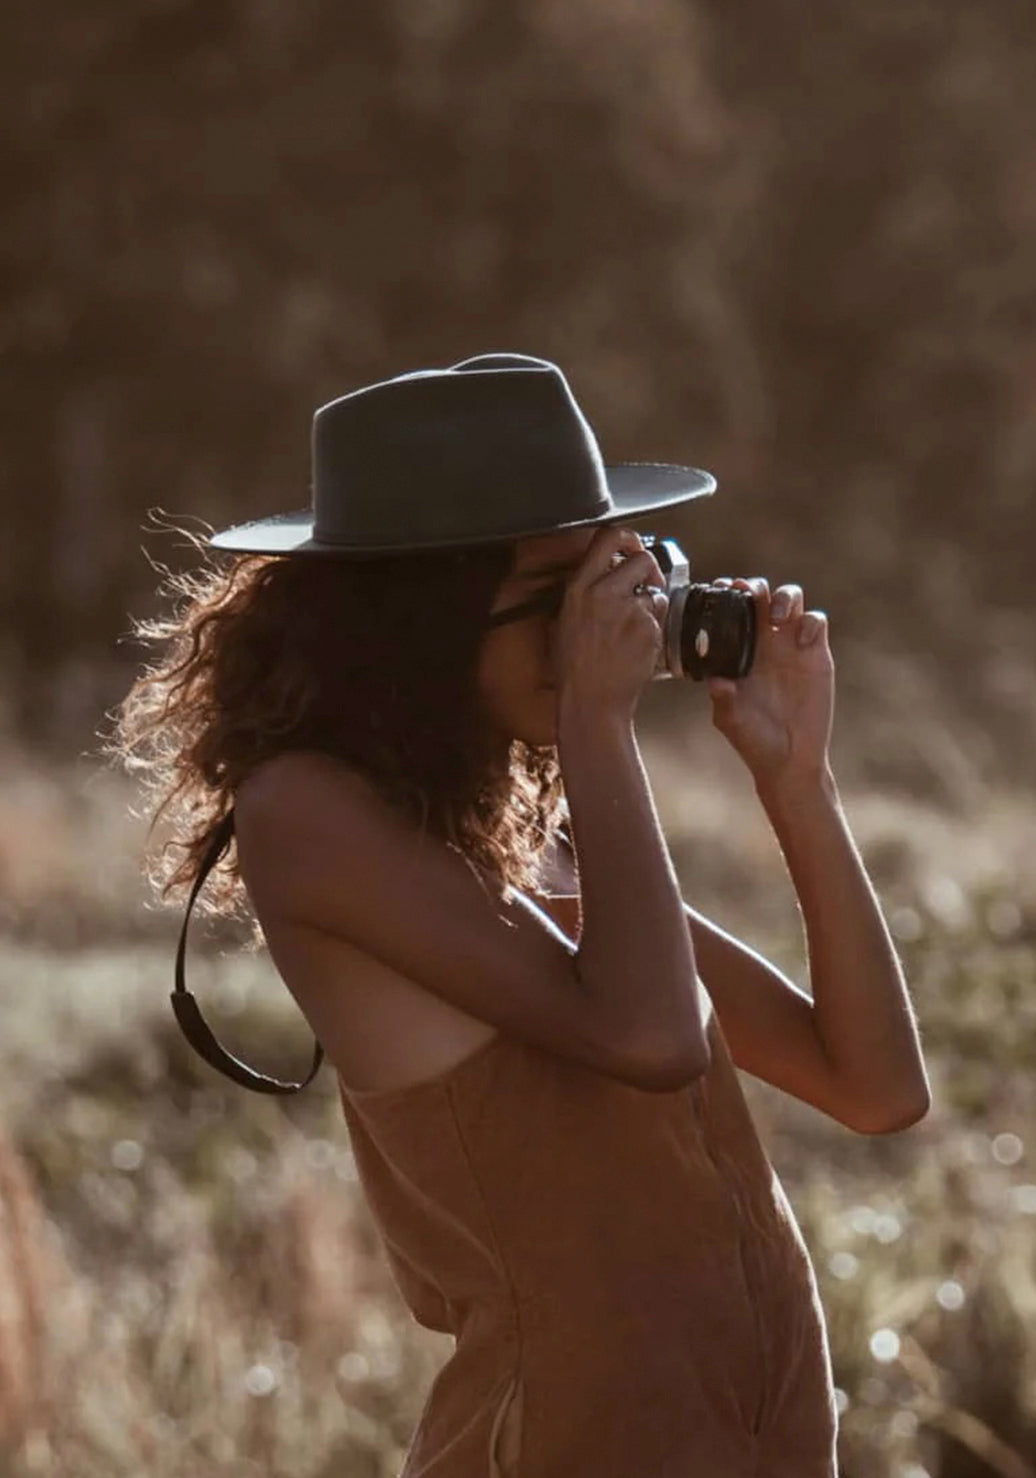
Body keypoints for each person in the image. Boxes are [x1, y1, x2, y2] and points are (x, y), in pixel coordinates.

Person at [106, 352, 929, 1477]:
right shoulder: (308, 810)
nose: (616, 627)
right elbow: (645, 1036)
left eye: (626, 577)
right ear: (418, 614)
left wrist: (799, 784)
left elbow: (874, 1085)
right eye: (566, 599)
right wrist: (600, 721)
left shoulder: (528, 825)